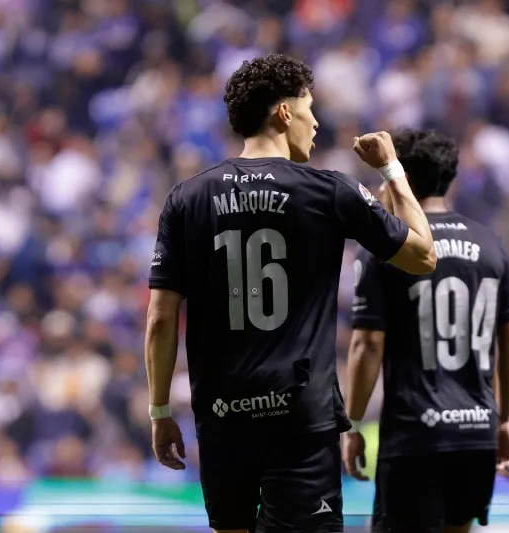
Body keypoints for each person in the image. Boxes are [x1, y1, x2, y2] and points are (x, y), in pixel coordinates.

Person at [144, 54, 436, 533]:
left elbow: (159, 318)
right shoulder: (329, 190)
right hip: (299, 414)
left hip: (222, 414)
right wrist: (392, 172)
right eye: (309, 109)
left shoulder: (186, 198)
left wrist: (159, 411)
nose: (315, 122)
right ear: (283, 113)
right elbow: (423, 256)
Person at [343, 129, 509, 533]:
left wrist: (352, 424)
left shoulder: (389, 248)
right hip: (476, 432)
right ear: (451, 179)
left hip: (415, 435)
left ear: (397, 177)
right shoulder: (492, 245)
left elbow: (367, 343)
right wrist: (505, 418)